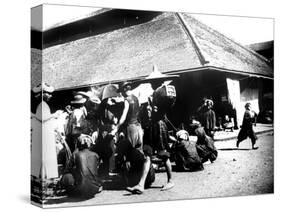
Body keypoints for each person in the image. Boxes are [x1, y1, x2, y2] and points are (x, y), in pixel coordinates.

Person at [117, 81, 153, 194]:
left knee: (131, 154)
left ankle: (134, 181)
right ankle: (140, 180)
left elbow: (123, 116)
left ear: (123, 90)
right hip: (138, 127)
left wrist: (117, 127)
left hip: (131, 127)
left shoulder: (127, 100)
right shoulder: (136, 98)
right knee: (139, 151)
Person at [31, 82, 60, 179]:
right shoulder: (42, 105)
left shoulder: (42, 105)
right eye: (48, 93)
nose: (50, 95)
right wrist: (54, 115)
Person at [61, 134, 102, 199]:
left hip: (81, 190)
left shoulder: (75, 155)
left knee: (66, 176)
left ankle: (72, 192)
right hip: (94, 189)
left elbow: (67, 169)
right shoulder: (96, 155)